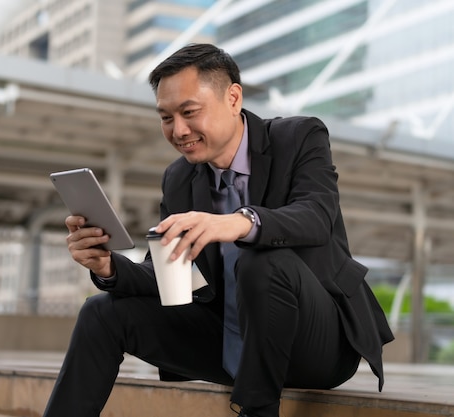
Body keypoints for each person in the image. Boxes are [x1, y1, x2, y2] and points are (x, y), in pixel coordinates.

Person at [42, 43, 394, 417]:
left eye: (189, 112)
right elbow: (172, 278)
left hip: (314, 343)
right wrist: (108, 267)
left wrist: (237, 222)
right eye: (165, 117)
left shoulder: (299, 137)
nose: (178, 130)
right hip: (226, 340)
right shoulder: (180, 178)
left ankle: (257, 411)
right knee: (101, 311)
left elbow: (316, 216)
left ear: (233, 97)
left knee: (263, 263)